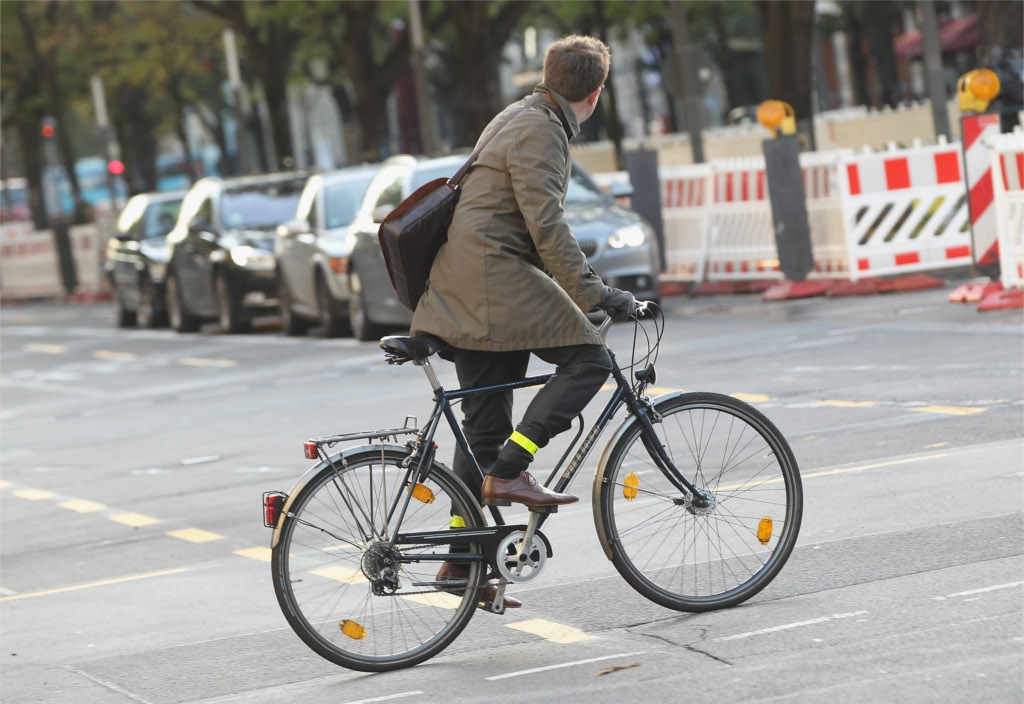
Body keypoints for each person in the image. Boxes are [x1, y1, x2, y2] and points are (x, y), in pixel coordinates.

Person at [410, 35, 637, 607]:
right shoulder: (543, 129)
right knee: (590, 359)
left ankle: (461, 565)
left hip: (465, 285)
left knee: (482, 431)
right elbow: (546, 224)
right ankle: (513, 470)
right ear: (596, 93)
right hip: (493, 281)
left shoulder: (518, 113)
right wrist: (596, 294)